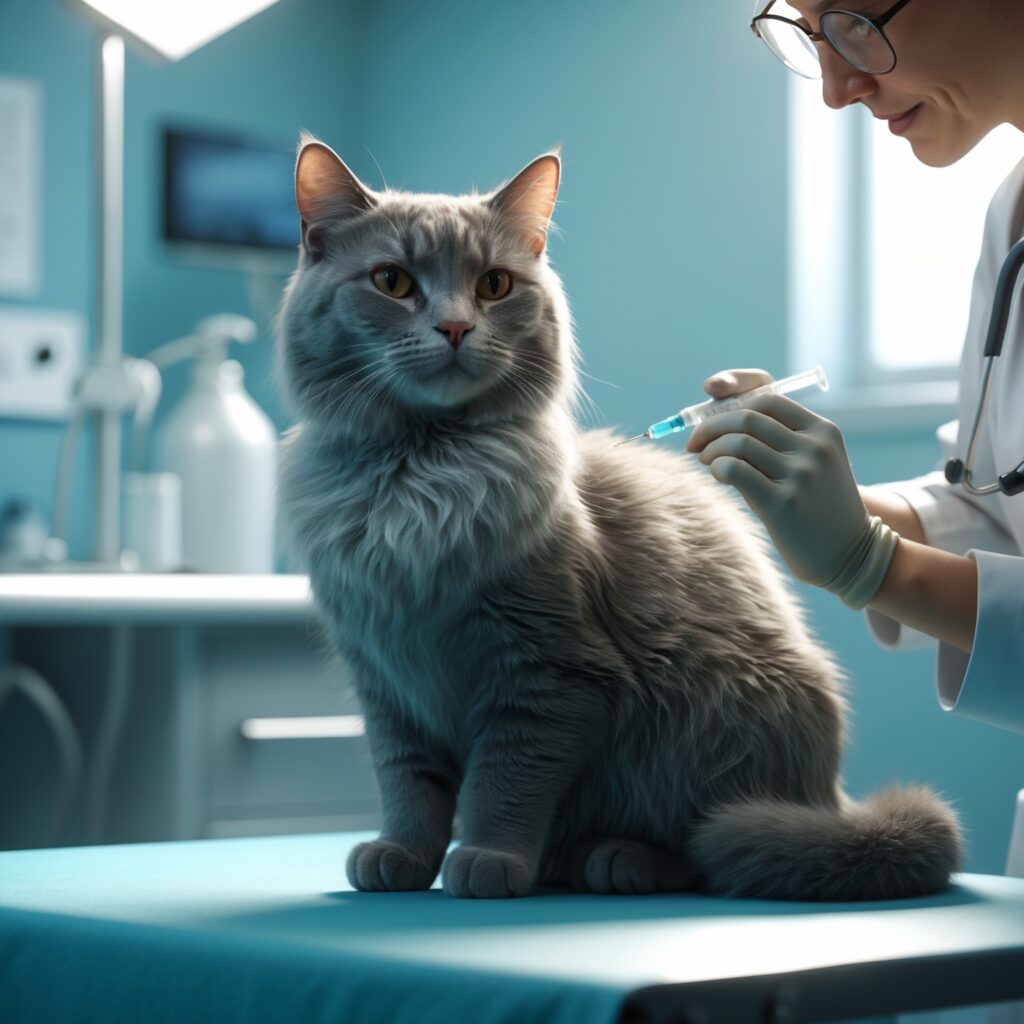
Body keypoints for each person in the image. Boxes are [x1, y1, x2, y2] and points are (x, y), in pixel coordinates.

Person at [687, 0, 1024, 735]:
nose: (836, 90)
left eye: (858, 20)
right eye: (813, 36)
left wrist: (870, 565)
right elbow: (999, 513)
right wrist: (823, 502)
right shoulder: (1011, 215)